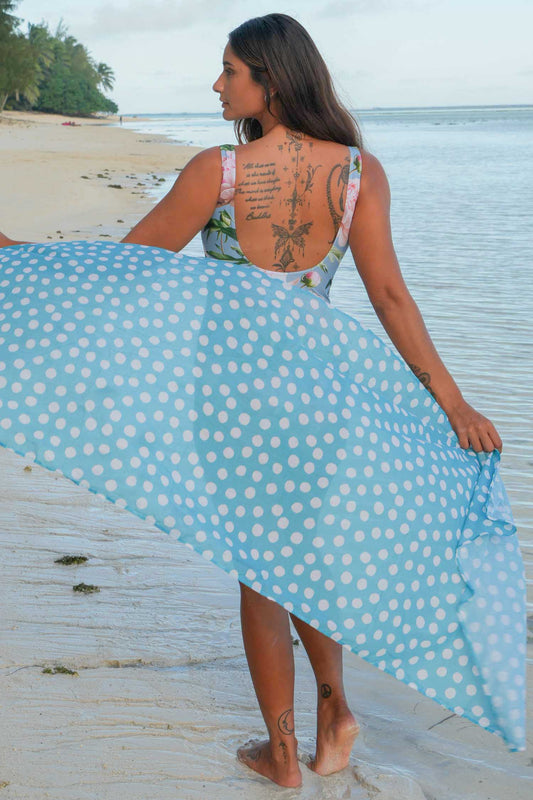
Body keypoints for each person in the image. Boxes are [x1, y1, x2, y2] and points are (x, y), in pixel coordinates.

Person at [0, 12, 522, 790]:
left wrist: (22, 259)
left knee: (262, 573)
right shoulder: (357, 173)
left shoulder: (219, 170)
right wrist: (454, 406)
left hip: (231, 405)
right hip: (325, 405)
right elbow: (389, 297)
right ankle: (336, 717)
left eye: (229, 70)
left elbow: (125, 271)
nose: (216, 84)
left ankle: (282, 755)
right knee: (306, 560)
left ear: (268, 80)